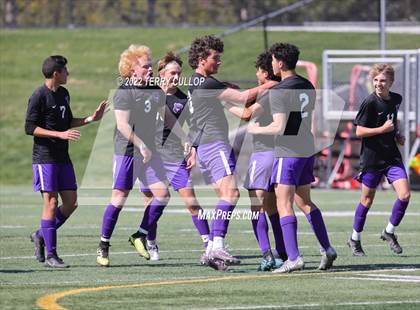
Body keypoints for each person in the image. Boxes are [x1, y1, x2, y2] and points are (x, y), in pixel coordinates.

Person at [187, 35, 277, 271]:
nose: (219, 62)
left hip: (205, 147)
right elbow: (243, 97)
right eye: (215, 58)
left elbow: (238, 109)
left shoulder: (196, 83)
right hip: (214, 144)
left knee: (224, 195)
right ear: (200, 59)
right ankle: (216, 244)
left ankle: (210, 251)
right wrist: (273, 84)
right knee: (232, 194)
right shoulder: (207, 84)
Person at [248, 43, 337, 273]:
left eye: (274, 60)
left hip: (288, 151)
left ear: (279, 62)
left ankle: (294, 258)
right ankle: (326, 248)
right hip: (307, 148)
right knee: (305, 201)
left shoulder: (278, 90)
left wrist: (257, 130)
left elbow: (279, 127)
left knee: (283, 203)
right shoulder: (306, 84)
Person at [25, 55, 108, 268]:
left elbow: (68, 121)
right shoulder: (38, 95)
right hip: (45, 158)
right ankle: (51, 255)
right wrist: (60, 135)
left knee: (71, 203)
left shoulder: (64, 94)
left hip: (63, 158)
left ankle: (41, 234)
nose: (68, 74)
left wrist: (91, 119)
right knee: (51, 203)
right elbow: (30, 127)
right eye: (65, 71)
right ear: (56, 73)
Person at [96, 45, 170, 267]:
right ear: (132, 69)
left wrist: (183, 138)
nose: (150, 69)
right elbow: (122, 126)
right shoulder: (124, 92)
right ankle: (103, 245)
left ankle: (139, 235)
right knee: (119, 199)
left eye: (150, 65)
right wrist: (141, 145)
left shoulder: (156, 91)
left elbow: (167, 119)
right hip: (128, 151)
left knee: (163, 194)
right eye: (145, 66)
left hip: (149, 152)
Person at [140, 52, 210, 261]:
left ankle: (210, 244)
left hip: (174, 157)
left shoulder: (182, 98)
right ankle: (151, 243)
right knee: (152, 202)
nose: (177, 77)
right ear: (161, 74)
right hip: (149, 158)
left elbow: (196, 125)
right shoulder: (148, 94)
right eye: (172, 73)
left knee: (192, 202)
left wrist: (194, 149)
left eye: (179, 73)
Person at [224, 51, 286, 271]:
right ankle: (283, 251)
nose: (256, 74)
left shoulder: (270, 92)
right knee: (272, 207)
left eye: (258, 70)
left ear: (264, 72)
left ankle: (267, 254)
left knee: (256, 207)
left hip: (264, 154)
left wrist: (223, 100)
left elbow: (246, 113)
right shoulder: (280, 89)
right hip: (278, 154)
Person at [347, 63, 410, 256]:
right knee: (367, 200)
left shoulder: (396, 99)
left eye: (383, 80)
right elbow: (359, 131)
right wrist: (381, 130)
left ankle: (389, 232)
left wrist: (397, 135)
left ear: (391, 82)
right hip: (372, 159)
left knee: (405, 195)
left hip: (391, 157)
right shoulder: (370, 102)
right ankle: (354, 238)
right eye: (375, 80)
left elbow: (393, 120)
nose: (378, 84)